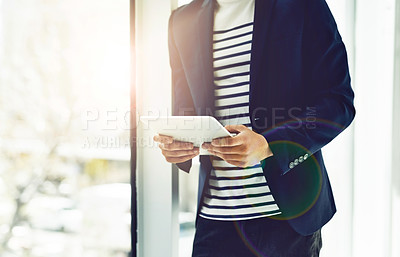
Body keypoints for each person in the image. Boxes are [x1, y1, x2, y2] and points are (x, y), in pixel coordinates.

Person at [154, 0, 355, 256]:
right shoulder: (181, 21)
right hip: (215, 222)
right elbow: (186, 110)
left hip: (287, 219)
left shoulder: (302, 5)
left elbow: (337, 103)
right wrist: (179, 146)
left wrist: (269, 145)